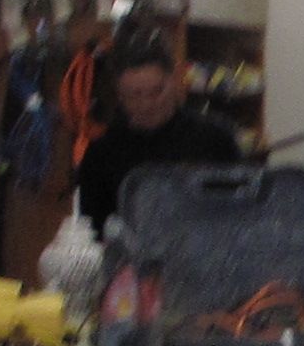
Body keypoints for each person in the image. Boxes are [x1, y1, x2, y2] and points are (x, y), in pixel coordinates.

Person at [72, 12, 242, 228]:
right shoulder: (101, 154)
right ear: (119, 94)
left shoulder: (215, 141)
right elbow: (93, 230)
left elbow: (239, 217)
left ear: (174, 80)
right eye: (135, 95)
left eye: (156, 91)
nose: (147, 104)